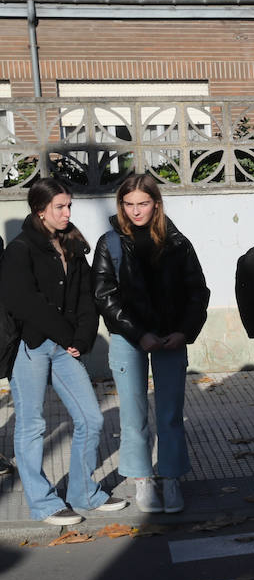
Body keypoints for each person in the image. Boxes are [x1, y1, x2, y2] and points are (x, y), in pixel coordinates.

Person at [1, 178, 127, 525]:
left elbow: (86, 296)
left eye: (69, 205)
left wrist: (83, 337)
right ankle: (43, 503)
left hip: (65, 347)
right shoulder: (21, 249)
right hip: (32, 347)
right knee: (31, 426)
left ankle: (83, 493)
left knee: (91, 417)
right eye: (60, 207)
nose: (67, 212)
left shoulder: (72, 244)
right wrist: (65, 334)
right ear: (40, 211)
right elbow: (22, 301)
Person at [92, 174, 210, 514]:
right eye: (129, 205)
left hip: (171, 337)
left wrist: (184, 332)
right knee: (132, 413)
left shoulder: (176, 242)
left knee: (171, 413)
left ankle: (171, 480)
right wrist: (137, 332)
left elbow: (197, 291)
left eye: (142, 203)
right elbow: (104, 296)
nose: (135, 211)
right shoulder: (109, 242)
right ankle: (142, 480)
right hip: (129, 337)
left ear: (156, 204)